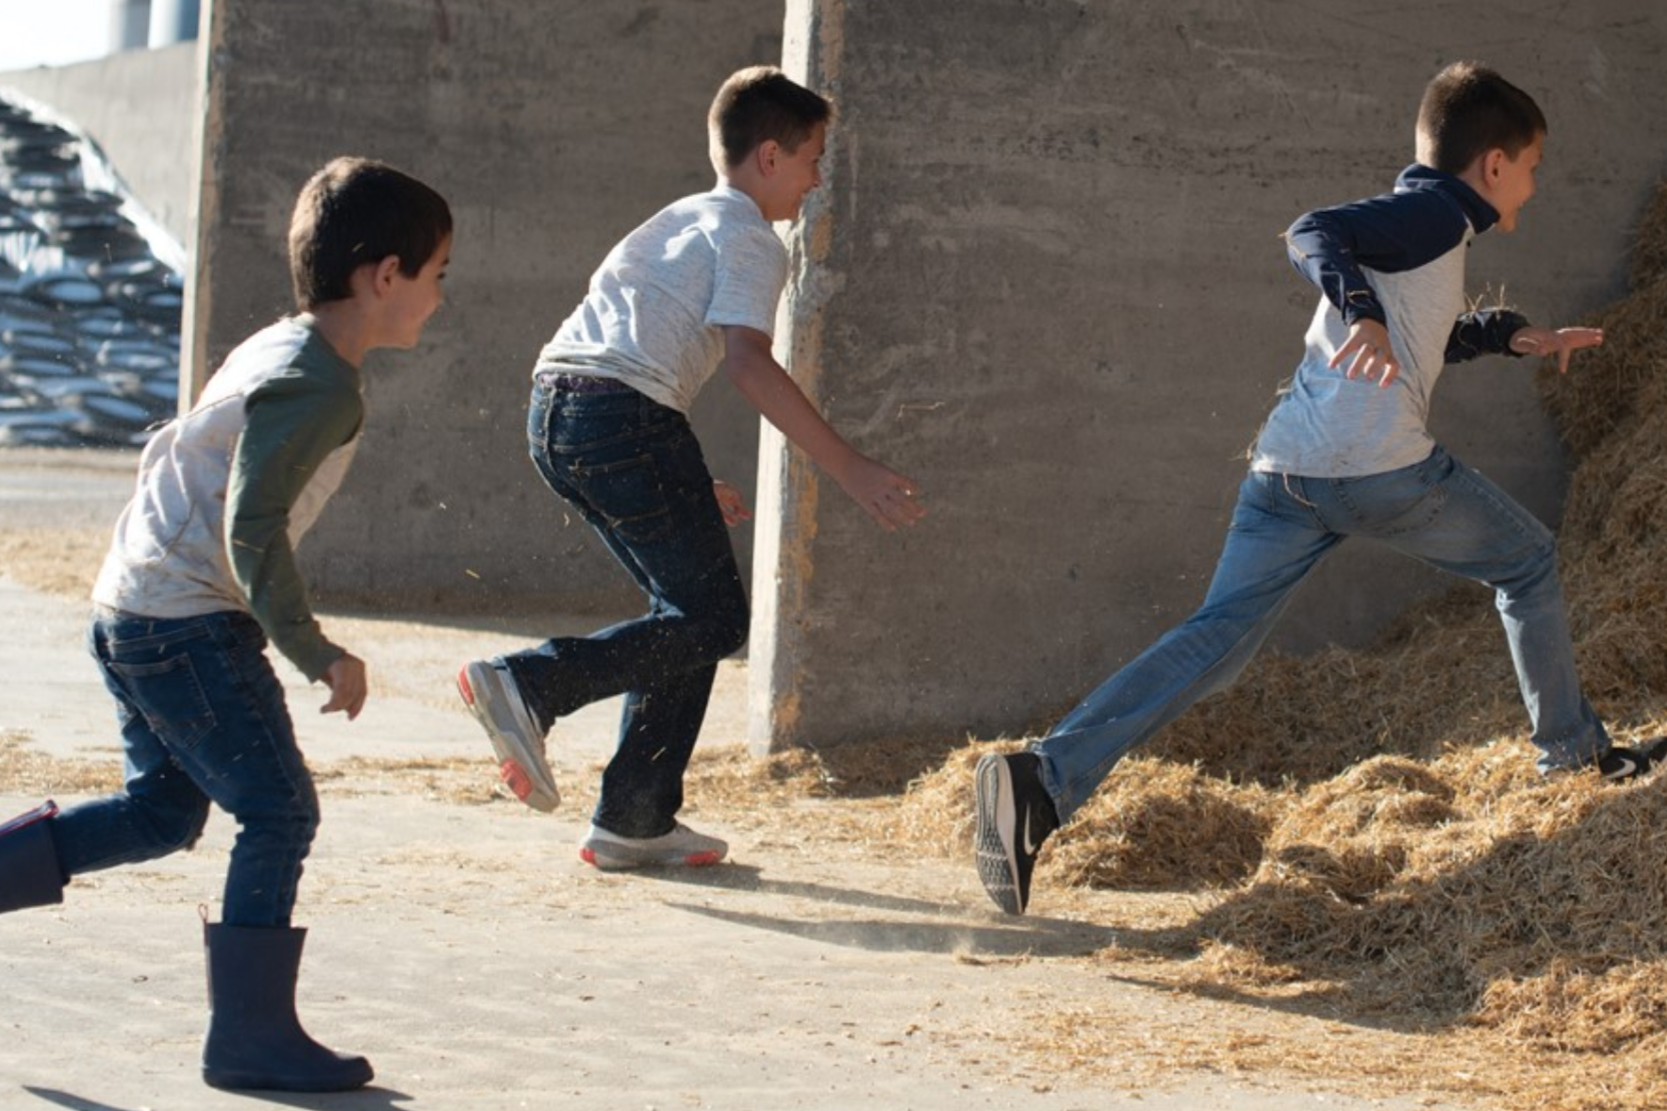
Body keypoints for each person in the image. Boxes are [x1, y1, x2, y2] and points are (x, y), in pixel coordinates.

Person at [973, 61, 1660, 918]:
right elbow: (1310, 231)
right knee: (1525, 561)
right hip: (1374, 469)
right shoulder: (1434, 213)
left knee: (1213, 644)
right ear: (1492, 166)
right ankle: (1571, 755)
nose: (1533, 182)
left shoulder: (1428, 228)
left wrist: (1515, 334)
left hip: (1286, 471)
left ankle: (1039, 778)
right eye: (1531, 165)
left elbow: (1427, 330)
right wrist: (1363, 311)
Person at [0, 157, 452, 1088]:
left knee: (163, 812)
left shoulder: (278, 346)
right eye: (437, 274)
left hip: (129, 603)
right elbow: (251, 531)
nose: (441, 297)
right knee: (279, 808)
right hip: (186, 620)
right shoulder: (320, 385)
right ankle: (249, 1037)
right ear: (383, 275)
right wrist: (316, 651)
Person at [458, 64, 925, 871]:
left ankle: (634, 818)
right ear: (769, 157)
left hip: (560, 411)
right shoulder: (751, 237)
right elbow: (747, 363)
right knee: (712, 622)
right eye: (814, 159)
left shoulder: (678, 217)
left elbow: (631, 340)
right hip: (624, 417)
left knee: (686, 612)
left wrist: (676, 477)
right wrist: (846, 466)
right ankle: (531, 685)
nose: (817, 181)